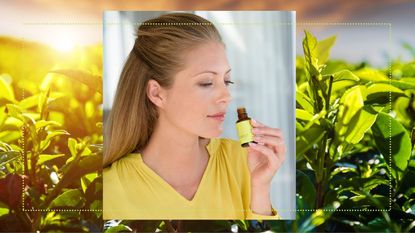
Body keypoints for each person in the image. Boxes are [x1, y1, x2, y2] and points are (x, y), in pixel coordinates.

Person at [103, 12, 286, 220]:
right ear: (157, 93)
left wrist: (260, 187)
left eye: (227, 81)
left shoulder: (243, 162)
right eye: (207, 83)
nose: (226, 96)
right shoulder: (110, 190)